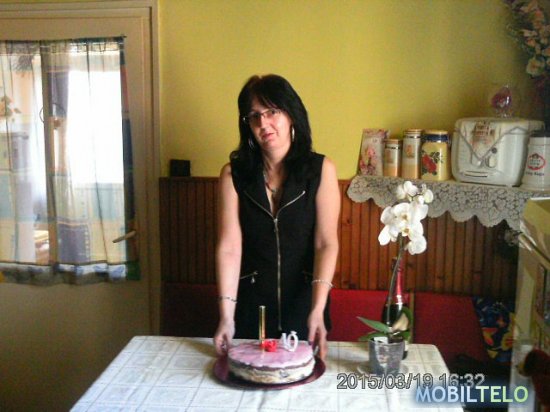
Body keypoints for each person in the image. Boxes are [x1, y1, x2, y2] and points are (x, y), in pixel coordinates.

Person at [213, 74, 340, 360]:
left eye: (272, 111)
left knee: (304, 381)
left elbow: (326, 244)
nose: (263, 123)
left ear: (291, 114)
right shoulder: (233, 175)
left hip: (305, 308)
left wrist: (318, 309)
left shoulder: (320, 170)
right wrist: (226, 316)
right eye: (254, 116)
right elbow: (230, 247)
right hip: (250, 309)